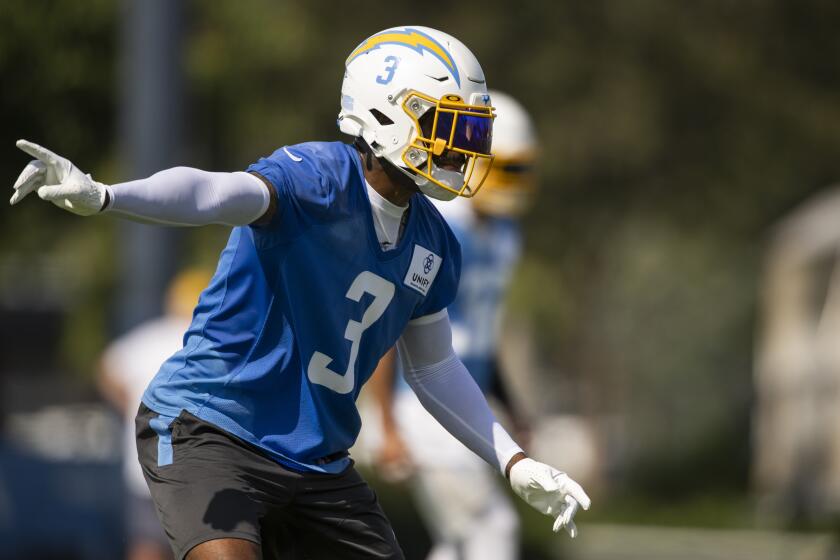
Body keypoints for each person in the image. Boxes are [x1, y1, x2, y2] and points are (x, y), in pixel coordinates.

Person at [10, 26, 589, 560]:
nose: (462, 150)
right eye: (449, 128)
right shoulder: (318, 179)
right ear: (387, 115)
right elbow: (211, 194)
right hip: (209, 428)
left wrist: (512, 461)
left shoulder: (436, 243)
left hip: (317, 462)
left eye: (470, 132)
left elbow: (435, 369)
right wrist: (109, 196)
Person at [369, 91, 537, 560]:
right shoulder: (441, 225)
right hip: (425, 410)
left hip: (466, 405)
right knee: (491, 531)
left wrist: (513, 406)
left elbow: (484, 332)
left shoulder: (505, 235)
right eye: (507, 169)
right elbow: (394, 321)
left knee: (460, 543)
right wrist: (386, 422)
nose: (513, 183)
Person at [99, 269, 211, 560]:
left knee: (147, 544)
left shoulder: (149, 337)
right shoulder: (213, 342)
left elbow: (107, 369)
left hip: (144, 462)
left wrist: (130, 411)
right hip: (198, 467)